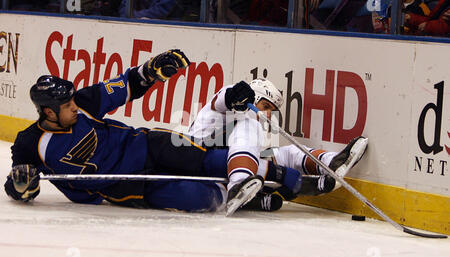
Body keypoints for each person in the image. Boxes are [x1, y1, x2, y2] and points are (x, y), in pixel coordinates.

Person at [4, 49, 283, 215]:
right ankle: (247, 199)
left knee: (201, 159)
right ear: (49, 112)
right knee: (195, 196)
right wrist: (22, 185)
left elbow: (126, 85)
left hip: (146, 144)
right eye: (66, 105)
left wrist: (150, 70)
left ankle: (277, 171)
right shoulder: (29, 144)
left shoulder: (85, 101)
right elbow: (18, 186)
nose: (74, 107)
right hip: (125, 184)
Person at [188, 78, 368, 212]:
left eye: (270, 111)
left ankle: (330, 162)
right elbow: (222, 99)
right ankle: (240, 184)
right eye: (265, 106)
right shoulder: (227, 108)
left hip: (219, 172)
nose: (267, 115)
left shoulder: (248, 128)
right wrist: (233, 94)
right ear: (253, 97)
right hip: (195, 164)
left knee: (286, 153)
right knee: (250, 127)